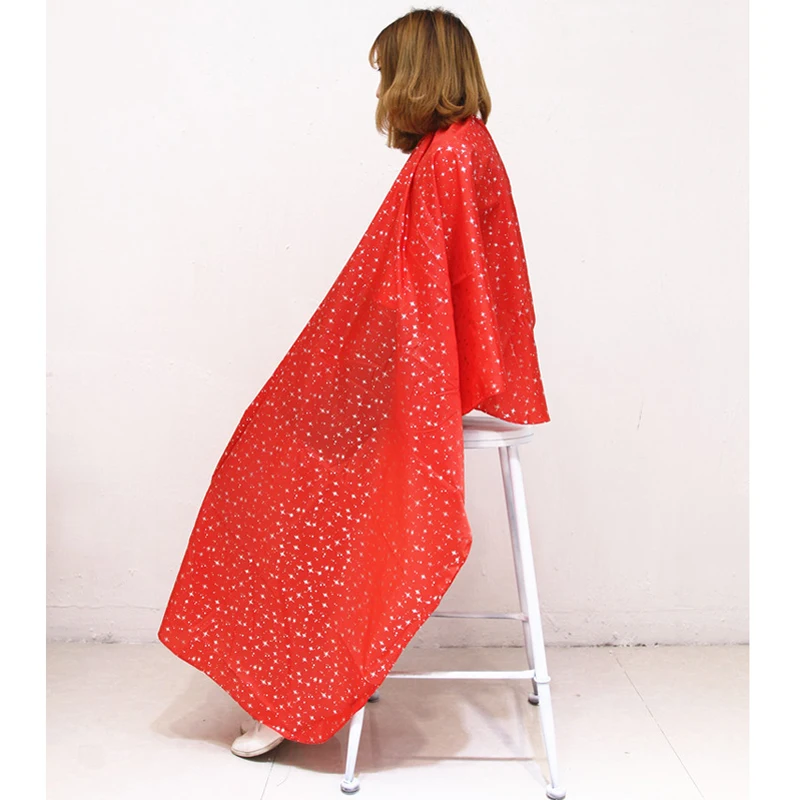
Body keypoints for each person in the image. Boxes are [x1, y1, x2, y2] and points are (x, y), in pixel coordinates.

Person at [158, 5, 549, 758]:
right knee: (270, 445)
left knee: (281, 469)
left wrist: (350, 382)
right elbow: (429, 294)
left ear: (417, 77)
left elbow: (414, 306)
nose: (380, 93)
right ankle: (302, 670)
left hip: (414, 380)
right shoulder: (465, 147)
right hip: (416, 371)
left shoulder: (447, 159)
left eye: (386, 75)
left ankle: (297, 687)